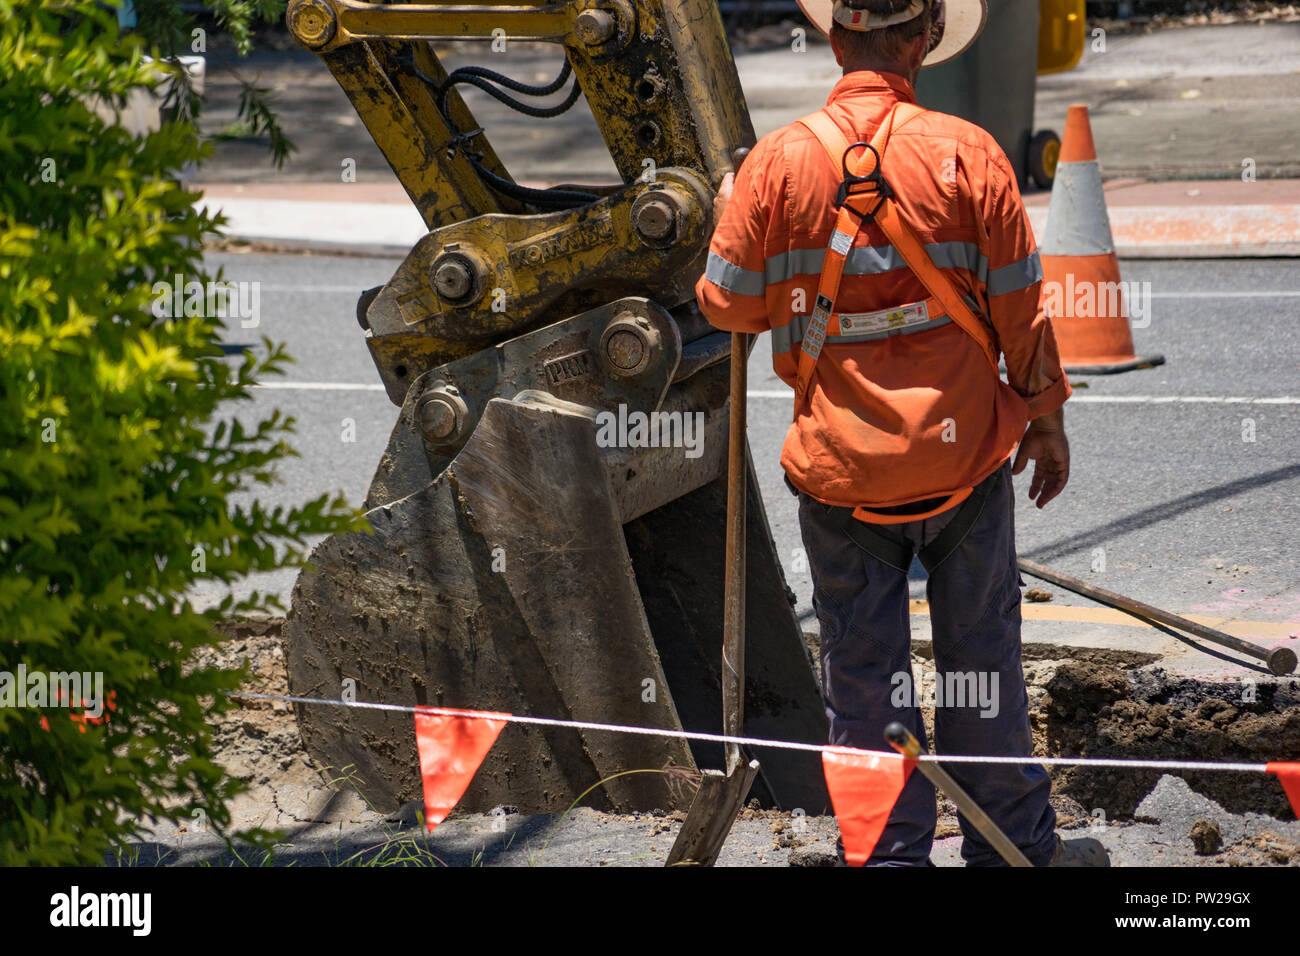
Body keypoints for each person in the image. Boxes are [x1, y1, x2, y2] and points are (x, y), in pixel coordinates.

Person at [695, 0, 1106, 866]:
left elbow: (726, 305)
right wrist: (1046, 418)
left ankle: (887, 855)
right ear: (923, 41)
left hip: (844, 481)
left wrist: (736, 209)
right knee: (982, 669)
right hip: (963, 468)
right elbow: (1023, 314)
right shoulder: (972, 155)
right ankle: (1012, 846)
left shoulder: (776, 164)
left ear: (836, 38)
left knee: (863, 682)